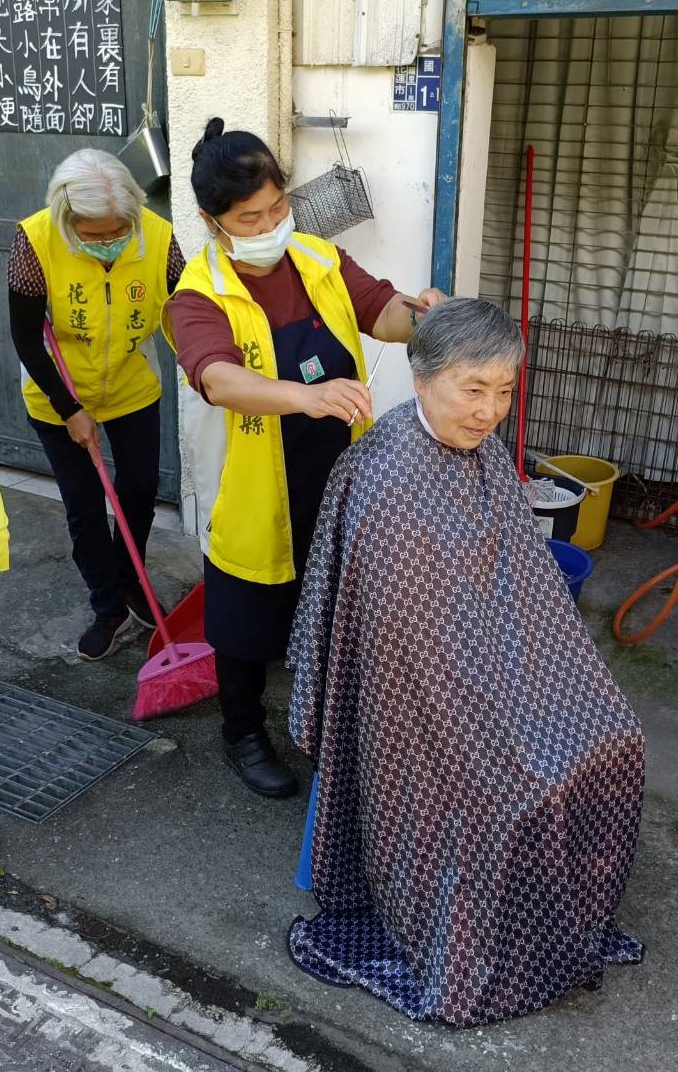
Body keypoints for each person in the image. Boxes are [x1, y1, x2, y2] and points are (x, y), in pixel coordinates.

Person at [286, 298, 645, 1026]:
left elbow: (525, 591)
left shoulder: (478, 453)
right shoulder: (384, 477)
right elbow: (401, 642)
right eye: (471, 389)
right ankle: (478, 937)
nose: (489, 412)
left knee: (613, 737)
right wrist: (500, 708)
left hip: (493, 672)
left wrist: (533, 680)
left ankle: (552, 915)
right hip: (418, 697)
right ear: (420, 381)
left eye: (505, 390)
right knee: (521, 781)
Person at [163, 118, 444, 799]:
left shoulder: (318, 259)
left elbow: (382, 314)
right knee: (244, 615)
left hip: (337, 472)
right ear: (212, 221)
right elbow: (219, 377)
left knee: (334, 606)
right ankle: (243, 731)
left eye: (279, 207)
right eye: (251, 216)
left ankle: (328, 722)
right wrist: (303, 395)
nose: (270, 223)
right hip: (253, 485)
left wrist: (429, 314)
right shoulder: (197, 296)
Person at [7, 149, 184, 660]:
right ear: (67, 220)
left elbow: (185, 307)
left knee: (140, 488)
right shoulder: (35, 240)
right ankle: (107, 604)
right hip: (58, 391)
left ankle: (132, 583)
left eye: (117, 231)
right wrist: (70, 409)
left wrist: (208, 368)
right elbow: (25, 338)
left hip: (131, 384)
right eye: (94, 233)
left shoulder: (157, 235)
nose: (109, 241)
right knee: (84, 503)